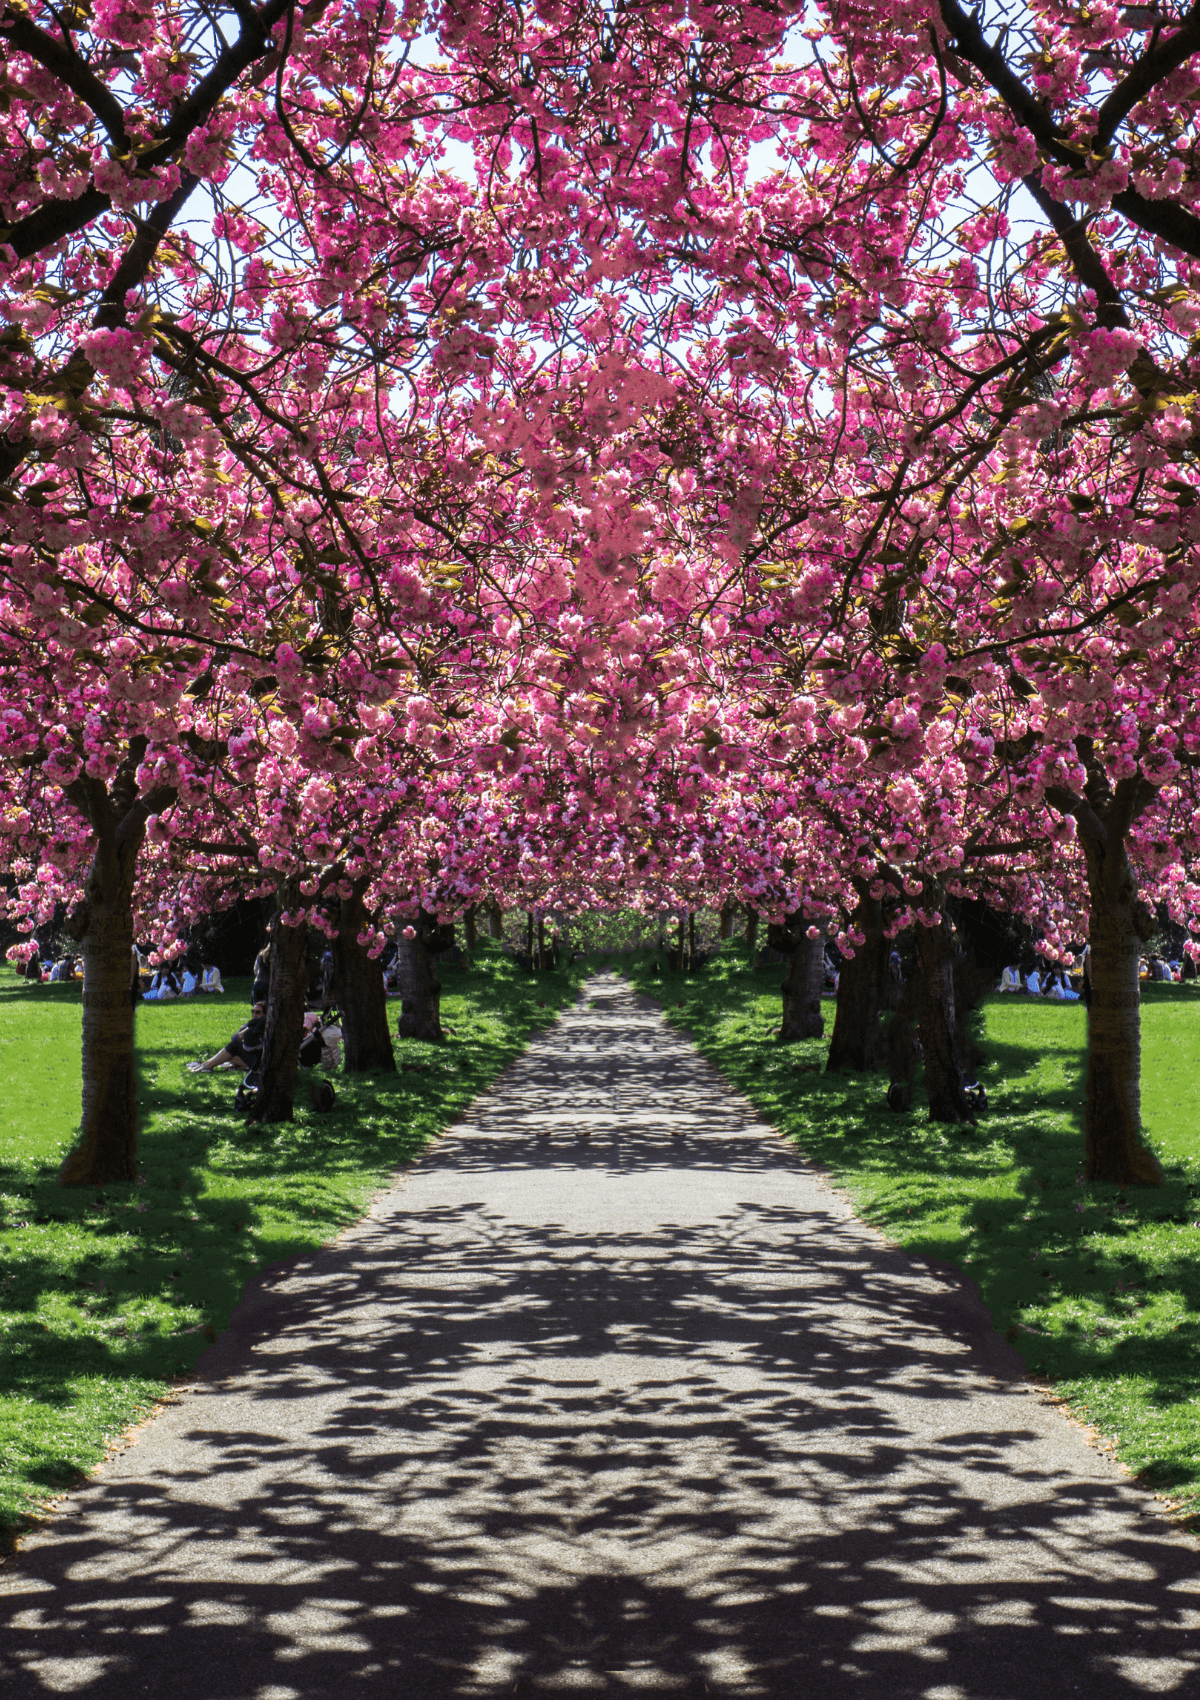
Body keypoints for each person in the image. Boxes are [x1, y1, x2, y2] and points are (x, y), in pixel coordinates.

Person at [188, 1003, 267, 1073]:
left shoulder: (261, 1026)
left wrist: (247, 1029)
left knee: (233, 1047)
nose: (254, 1014)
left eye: (257, 1012)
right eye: (252, 1011)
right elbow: (234, 1037)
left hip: (260, 1062)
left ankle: (207, 1065)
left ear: (264, 1014)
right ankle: (206, 1064)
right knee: (227, 1055)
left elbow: (237, 1038)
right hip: (254, 1059)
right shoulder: (252, 1025)